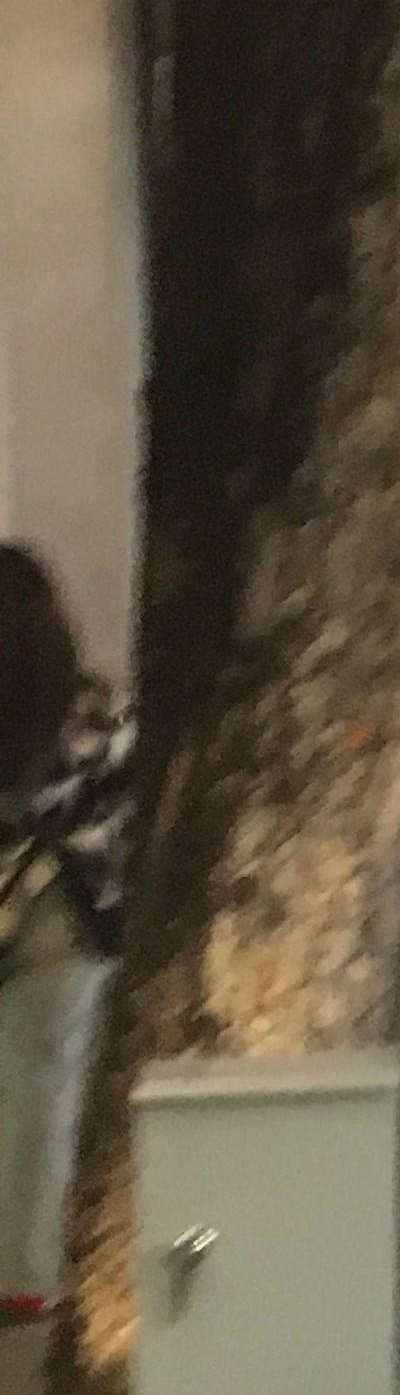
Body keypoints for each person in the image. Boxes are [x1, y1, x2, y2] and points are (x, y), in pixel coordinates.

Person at [0, 547, 132, 1324]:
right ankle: (25, 1274)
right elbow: (123, 804)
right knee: (40, 1101)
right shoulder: (94, 708)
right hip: (68, 913)